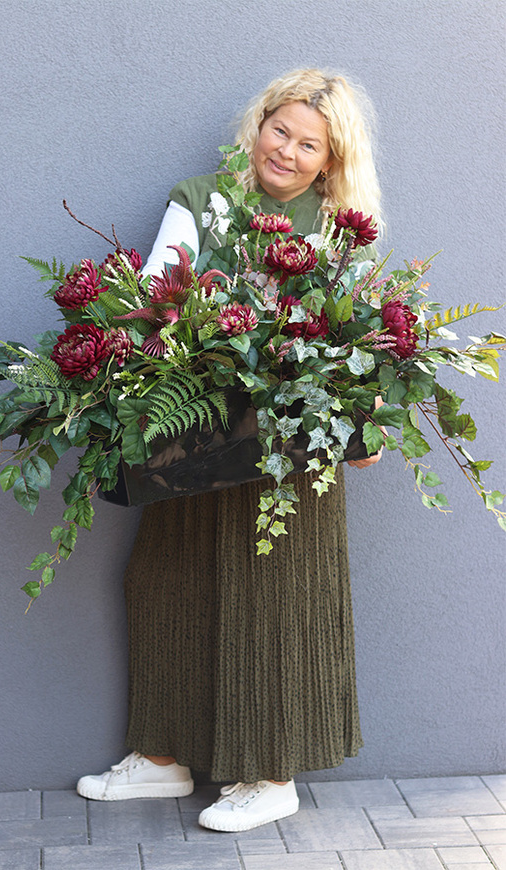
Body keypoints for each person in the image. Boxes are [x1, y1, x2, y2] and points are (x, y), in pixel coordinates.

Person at [77, 68, 384, 832]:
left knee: (275, 599)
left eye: (307, 143)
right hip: (195, 433)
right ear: (257, 127)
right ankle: (162, 758)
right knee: (165, 578)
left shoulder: (340, 228)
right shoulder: (202, 198)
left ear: (329, 159)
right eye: (279, 130)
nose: (287, 150)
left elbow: (359, 342)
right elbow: (156, 295)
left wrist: (366, 422)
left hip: (288, 452)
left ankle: (270, 773)